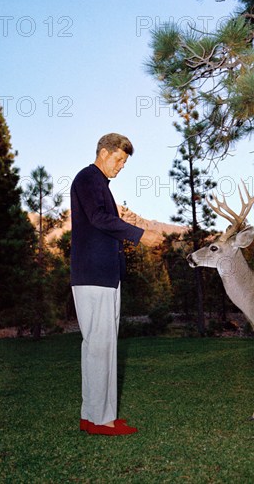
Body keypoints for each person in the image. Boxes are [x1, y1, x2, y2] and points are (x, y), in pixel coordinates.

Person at [70, 133, 155, 436]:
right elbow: (98, 219)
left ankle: (92, 415)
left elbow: (101, 221)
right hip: (95, 276)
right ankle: (101, 420)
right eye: (118, 159)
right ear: (104, 153)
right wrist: (139, 234)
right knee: (100, 345)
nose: (120, 166)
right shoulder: (89, 178)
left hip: (102, 276)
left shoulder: (98, 183)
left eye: (124, 162)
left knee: (98, 345)